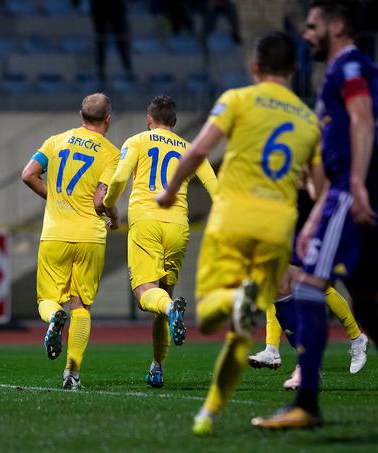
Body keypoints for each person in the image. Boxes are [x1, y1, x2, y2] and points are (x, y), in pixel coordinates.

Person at [155, 31, 320, 436]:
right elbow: (320, 187)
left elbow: (196, 151)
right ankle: (209, 413)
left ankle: (234, 298)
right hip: (277, 227)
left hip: (234, 218)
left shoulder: (237, 99)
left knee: (213, 314)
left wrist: (171, 189)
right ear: (295, 70)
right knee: (243, 329)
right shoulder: (308, 118)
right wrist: (311, 225)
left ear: (255, 67)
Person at [252, 0, 378, 429]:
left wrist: (356, 182)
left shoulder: (348, 67)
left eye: (312, 25)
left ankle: (306, 404)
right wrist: (315, 214)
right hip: (340, 194)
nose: (305, 33)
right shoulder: (337, 74)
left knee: (305, 287)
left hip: (350, 191)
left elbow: (363, 121)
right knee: (367, 300)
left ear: (337, 26)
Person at [99, 95, 217, 388]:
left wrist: (108, 207)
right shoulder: (190, 149)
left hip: (146, 222)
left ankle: (169, 311)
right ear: (174, 122)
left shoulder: (137, 140)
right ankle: (157, 367)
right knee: (164, 295)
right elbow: (216, 188)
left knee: (145, 295)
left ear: (149, 119)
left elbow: (118, 180)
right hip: (178, 225)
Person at [21, 93, 120, 390]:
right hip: (90, 236)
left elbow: (28, 174)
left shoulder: (55, 141)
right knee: (81, 307)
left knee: (47, 299)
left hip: (55, 234)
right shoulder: (112, 153)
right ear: (108, 119)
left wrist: (54, 196)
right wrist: (114, 218)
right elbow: (101, 200)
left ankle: (54, 317)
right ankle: (72, 373)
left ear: (80, 116)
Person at [248, 169, 369, 382]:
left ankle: (356, 337)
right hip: (291, 215)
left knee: (316, 283)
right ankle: (274, 349)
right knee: (277, 280)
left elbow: (315, 181)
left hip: (314, 214)